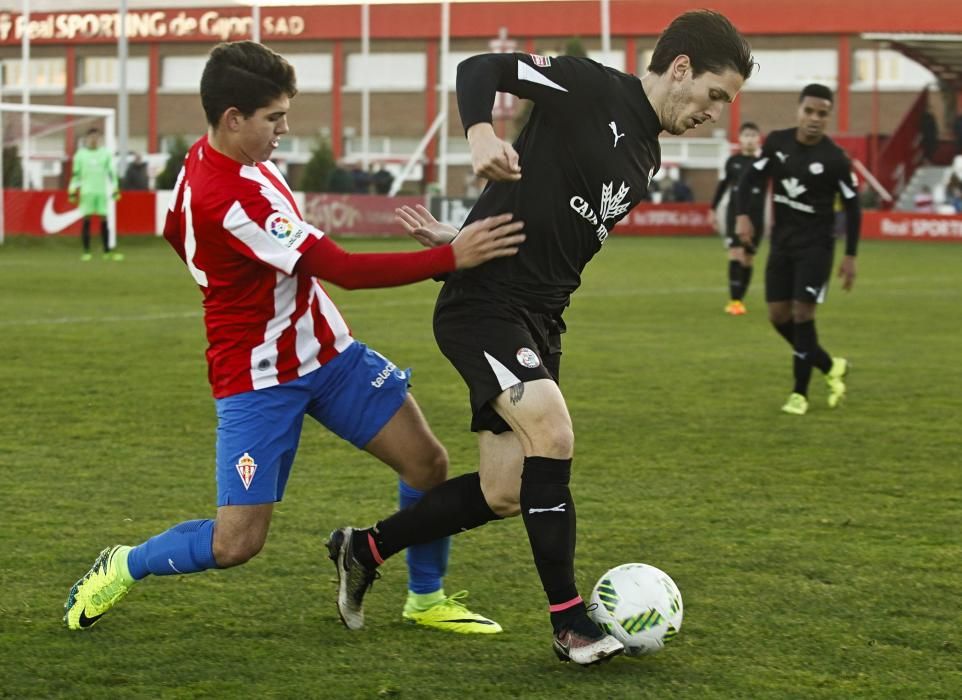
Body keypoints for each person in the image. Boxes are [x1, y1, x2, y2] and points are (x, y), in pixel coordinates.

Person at [325, 10, 755, 666]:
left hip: (541, 317)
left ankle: (365, 548)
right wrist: (478, 135)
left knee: (504, 491)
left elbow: (544, 213)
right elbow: (481, 69)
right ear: (681, 69)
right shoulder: (589, 86)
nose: (714, 112)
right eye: (714, 95)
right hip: (484, 306)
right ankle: (570, 624)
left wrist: (460, 232)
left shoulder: (647, 153)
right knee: (552, 432)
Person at [63, 41, 526, 636]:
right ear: (234, 119)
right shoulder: (229, 197)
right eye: (274, 117)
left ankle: (425, 597)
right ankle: (124, 564)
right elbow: (346, 271)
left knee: (427, 464)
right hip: (257, 378)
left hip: (330, 355)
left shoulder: (234, 164)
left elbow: (173, 231)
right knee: (237, 544)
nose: (286, 128)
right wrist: (451, 257)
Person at [734, 83, 861, 416]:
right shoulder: (778, 143)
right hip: (782, 245)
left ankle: (799, 394)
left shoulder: (834, 159)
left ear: (828, 117)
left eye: (822, 114)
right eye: (809, 111)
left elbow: (853, 207)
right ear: (798, 110)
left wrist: (850, 255)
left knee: (803, 315)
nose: (814, 119)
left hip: (816, 249)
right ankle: (830, 365)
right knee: (779, 317)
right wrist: (744, 215)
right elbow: (749, 179)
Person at [709, 121, 764, 314]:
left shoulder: (764, 163)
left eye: (752, 135)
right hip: (735, 214)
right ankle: (735, 300)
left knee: (748, 258)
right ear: (740, 139)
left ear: (759, 139)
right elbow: (723, 185)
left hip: (757, 217)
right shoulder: (733, 162)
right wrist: (713, 209)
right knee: (736, 253)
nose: (749, 139)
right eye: (746, 135)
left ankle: (740, 297)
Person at [68, 127, 122, 261]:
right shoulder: (80, 155)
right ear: (86, 139)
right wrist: (72, 190)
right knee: (86, 220)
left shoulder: (105, 154)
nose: (94, 140)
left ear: (99, 139)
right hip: (87, 192)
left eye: (96, 137)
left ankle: (107, 252)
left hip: (101, 192)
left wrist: (115, 188)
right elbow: (76, 175)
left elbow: (111, 173)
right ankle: (86, 252)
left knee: (104, 220)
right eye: (91, 137)